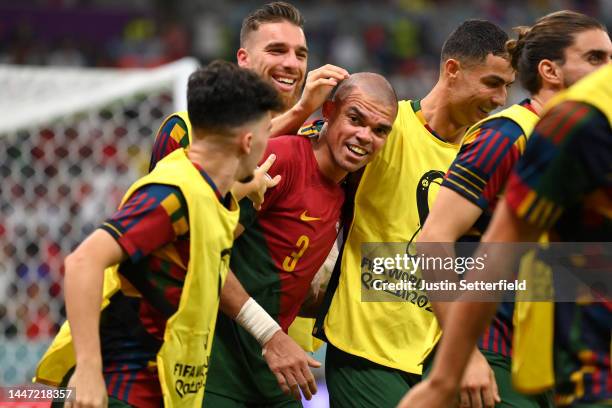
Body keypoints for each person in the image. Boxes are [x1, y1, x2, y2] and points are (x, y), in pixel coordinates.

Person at [34, 61, 284, 408]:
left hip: (158, 390)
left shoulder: (205, 191)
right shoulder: (171, 195)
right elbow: (82, 261)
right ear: (247, 141)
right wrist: (89, 370)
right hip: (114, 390)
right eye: (268, 131)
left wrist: (246, 188)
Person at [312, 19, 515, 407]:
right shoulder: (387, 126)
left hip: (437, 353)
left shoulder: (483, 155)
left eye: (507, 86)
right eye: (492, 83)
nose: (501, 98)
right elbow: (306, 163)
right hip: (366, 350)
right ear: (452, 70)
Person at [416, 10, 612, 408]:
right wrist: (465, 357)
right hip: (493, 356)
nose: (608, 69)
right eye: (595, 58)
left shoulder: (586, 143)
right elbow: (433, 240)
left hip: (557, 358)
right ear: (550, 71)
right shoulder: (505, 134)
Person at [204, 73, 398, 407]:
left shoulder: (347, 193)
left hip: (274, 375)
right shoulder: (283, 160)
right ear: (329, 111)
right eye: (355, 119)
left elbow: (284, 283)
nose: (364, 136)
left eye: (380, 130)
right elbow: (204, 256)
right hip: (217, 367)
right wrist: (271, 335)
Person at [149, 1, 349, 170]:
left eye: (300, 55)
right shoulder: (186, 130)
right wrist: (302, 110)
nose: (291, 64)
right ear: (244, 59)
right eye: (277, 50)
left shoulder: (317, 141)